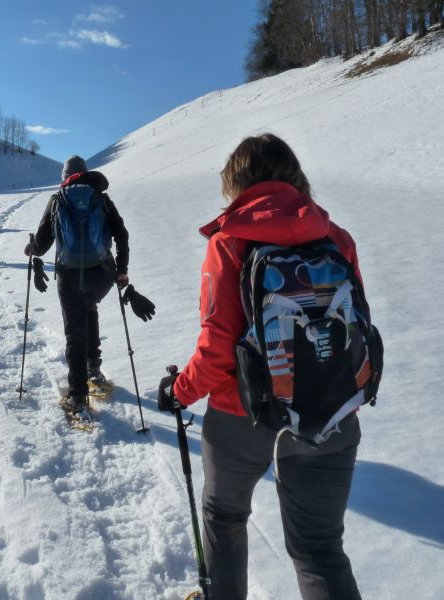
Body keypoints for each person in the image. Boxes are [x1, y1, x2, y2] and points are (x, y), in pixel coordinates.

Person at [160, 134, 364, 600]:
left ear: (238, 182)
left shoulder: (230, 243)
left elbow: (216, 348)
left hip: (242, 414)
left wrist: (180, 391)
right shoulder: (337, 238)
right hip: (331, 411)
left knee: (225, 517)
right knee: (319, 548)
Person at [24, 155, 129, 414]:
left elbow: (42, 243)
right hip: (102, 275)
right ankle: (94, 370)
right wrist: (122, 269)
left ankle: (78, 396)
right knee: (90, 309)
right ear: (86, 174)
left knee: (74, 333)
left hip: (70, 276)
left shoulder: (57, 200)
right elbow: (121, 234)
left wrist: (31, 249)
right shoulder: (101, 198)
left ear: (65, 178)